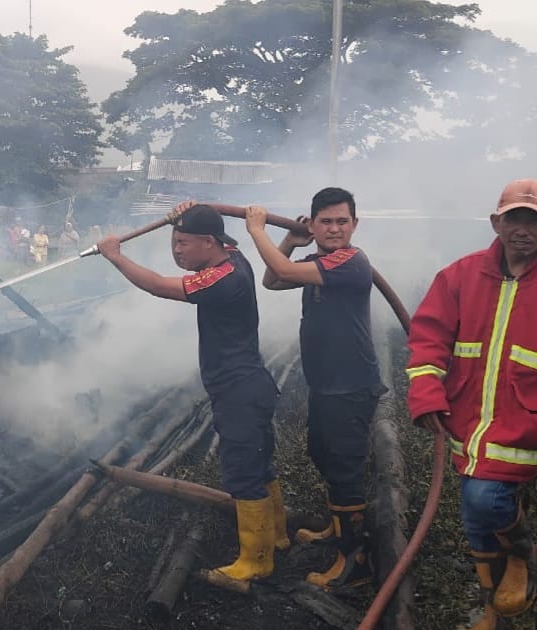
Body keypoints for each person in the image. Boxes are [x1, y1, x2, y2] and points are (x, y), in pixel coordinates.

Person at [97, 203, 283, 585]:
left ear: (208, 242)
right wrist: (187, 209)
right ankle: (276, 538)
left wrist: (115, 256)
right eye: (173, 241)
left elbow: (158, 286)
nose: (176, 250)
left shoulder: (223, 278)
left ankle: (256, 561)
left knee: (244, 472)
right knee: (260, 465)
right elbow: (200, 233)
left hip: (238, 391)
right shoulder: (232, 256)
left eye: (183, 242)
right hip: (250, 385)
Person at [407, 179, 537, 629]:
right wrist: (426, 395)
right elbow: (428, 339)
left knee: (483, 501)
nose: (524, 229)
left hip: (526, 425)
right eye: (515, 218)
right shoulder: (459, 276)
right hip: (470, 420)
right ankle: (495, 600)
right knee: (476, 511)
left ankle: (519, 554)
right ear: (496, 223)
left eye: (534, 220)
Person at [244, 188, 386, 590]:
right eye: (326, 221)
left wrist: (257, 231)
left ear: (355, 225)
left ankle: (355, 562)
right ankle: (338, 528)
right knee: (323, 455)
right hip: (326, 383)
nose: (335, 228)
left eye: (342, 221)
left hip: (350, 386)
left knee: (345, 468)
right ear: (314, 224)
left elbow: (283, 273)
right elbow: (273, 281)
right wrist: (289, 240)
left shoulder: (351, 262)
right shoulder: (319, 260)